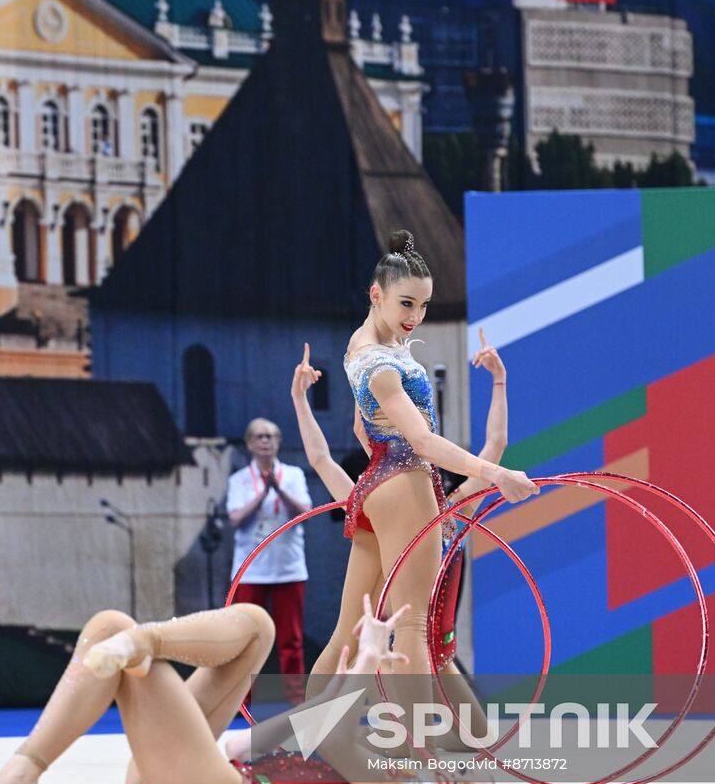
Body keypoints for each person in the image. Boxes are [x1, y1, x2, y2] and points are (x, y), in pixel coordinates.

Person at [0, 598, 496, 784]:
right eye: (467, 772)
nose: (458, 782)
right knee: (252, 628)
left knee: (120, 635)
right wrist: (221, 741)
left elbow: (330, 736)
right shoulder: (393, 768)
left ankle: (142, 644)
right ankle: (25, 770)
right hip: (197, 781)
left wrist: (364, 664)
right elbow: (305, 729)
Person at [308, 230, 534, 734]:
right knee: (411, 627)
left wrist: (384, 466)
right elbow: (425, 442)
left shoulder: (363, 348)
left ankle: (307, 741)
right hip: (407, 480)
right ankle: (417, 756)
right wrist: (496, 475)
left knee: (349, 628)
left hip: (377, 483)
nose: (415, 316)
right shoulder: (381, 365)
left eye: (424, 305)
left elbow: (359, 429)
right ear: (376, 294)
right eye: (405, 303)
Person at [292, 329, 509, 745]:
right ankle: (330, 739)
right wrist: (302, 399)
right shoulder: (380, 499)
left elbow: (496, 443)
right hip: (402, 646)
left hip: (437, 646)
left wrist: (499, 381)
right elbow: (323, 458)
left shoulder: (452, 511)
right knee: (362, 646)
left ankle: (383, 737)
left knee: (477, 736)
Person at [225, 418, 312, 688]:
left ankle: (296, 701)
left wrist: (279, 489)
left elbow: (306, 513)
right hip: (251, 572)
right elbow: (236, 519)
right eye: (260, 437)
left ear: (278, 443)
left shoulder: (294, 475)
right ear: (250, 443)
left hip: (289, 568)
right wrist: (263, 493)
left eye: (271, 436)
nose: (265, 441)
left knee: (291, 640)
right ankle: (242, 701)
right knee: (247, 639)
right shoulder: (239, 480)